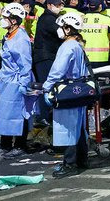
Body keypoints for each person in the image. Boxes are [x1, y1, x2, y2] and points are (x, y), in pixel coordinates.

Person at [42, 13, 89, 177]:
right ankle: (82, 159)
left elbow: (57, 71)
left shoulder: (67, 47)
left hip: (67, 91)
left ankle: (70, 164)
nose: (60, 30)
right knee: (78, 126)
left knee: (68, 128)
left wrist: (46, 87)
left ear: (68, 28)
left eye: (62, 27)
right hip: (78, 90)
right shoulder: (77, 45)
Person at [0, 4, 34, 158]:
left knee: (20, 114)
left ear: (14, 20)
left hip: (17, 81)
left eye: (5, 18)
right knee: (5, 115)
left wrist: (24, 83)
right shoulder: (9, 35)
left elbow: (25, 64)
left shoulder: (21, 39)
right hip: (7, 80)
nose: (2, 20)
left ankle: (20, 145)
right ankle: (5, 145)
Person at [33, 0, 64, 125]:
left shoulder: (50, 18)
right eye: (57, 5)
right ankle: (42, 116)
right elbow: (61, 33)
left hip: (47, 56)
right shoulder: (48, 18)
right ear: (49, 5)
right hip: (45, 57)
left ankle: (45, 114)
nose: (59, 7)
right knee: (46, 86)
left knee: (47, 86)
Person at [80, 0, 110, 68]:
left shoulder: (81, 18)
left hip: (84, 56)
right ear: (100, 6)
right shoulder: (106, 19)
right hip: (101, 57)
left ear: (88, 5)